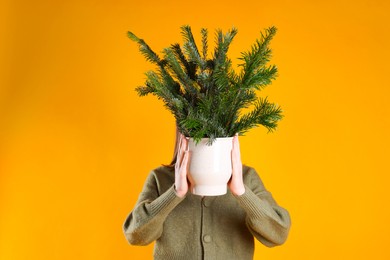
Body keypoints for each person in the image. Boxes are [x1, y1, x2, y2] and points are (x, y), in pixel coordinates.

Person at [122, 128, 291, 259]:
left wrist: (242, 192)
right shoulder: (160, 178)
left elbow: (279, 233)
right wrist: (175, 193)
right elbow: (134, 235)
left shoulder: (246, 178)